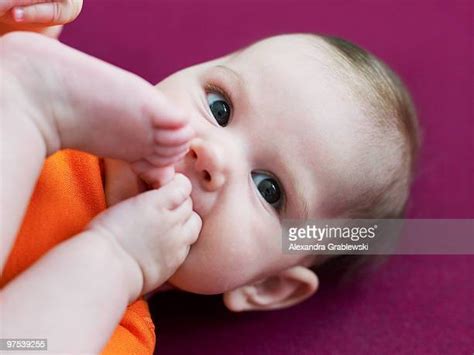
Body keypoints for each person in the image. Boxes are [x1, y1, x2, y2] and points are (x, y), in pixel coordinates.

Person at [0, 0, 420, 353]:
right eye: (220, 108)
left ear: (266, 284)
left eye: (269, 189)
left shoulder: (109, 329)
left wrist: (115, 259)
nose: (213, 157)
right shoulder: (60, 98)